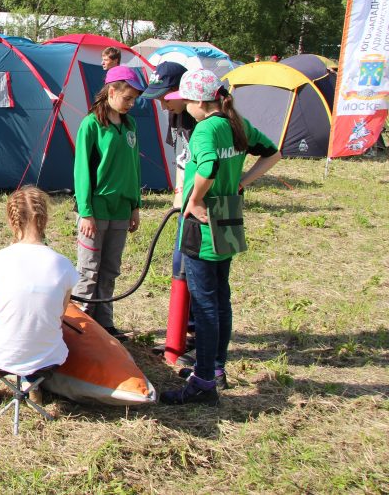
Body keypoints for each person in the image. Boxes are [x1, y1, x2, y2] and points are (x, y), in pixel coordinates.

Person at [160, 69, 281, 406]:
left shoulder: (204, 130)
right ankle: (215, 369)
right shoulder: (235, 124)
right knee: (221, 298)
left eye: (187, 102)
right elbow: (273, 152)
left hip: (204, 221)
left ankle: (202, 383)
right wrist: (243, 181)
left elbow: (208, 167)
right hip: (229, 214)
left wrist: (195, 200)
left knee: (205, 304)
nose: (186, 108)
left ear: (200, 100)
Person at [0, 186, 80, 410]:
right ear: (44, 219)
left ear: (12, 220)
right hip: (48, 359)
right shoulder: (62, 264)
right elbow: (61, 312)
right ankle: (32, 383)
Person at [72, 65, 146, 340]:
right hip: (96, 211)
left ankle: (104, 326)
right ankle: (80, 326)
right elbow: (81, 171)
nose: (131, 103)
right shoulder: (91, 125)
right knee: (89, 270)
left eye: (134, 99)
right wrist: (86, 212)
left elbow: (133, 166)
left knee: (110, 270)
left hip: (121, 210)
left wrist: (135, 206)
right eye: (128, 98)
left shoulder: (130, 125)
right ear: (111, 91)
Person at [142, 62, 197, 348]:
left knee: (193, 268)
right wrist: (178, 193)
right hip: (186, 200)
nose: (162, 105)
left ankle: (196, 335)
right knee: (179, 263)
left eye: (166, 96)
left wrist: (194, 198)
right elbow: (181, 158)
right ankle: (183, 331)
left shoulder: (203, 117)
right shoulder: (176, 114)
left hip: (202, 205)